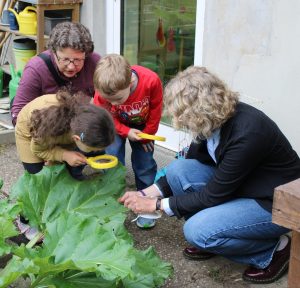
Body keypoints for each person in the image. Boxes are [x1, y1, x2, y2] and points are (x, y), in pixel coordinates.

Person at [119, 66, 300, 284]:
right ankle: (217, 236)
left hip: (273, 204)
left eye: (181, 115)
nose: (178, 120)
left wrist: (156, 205)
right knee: (179, 170)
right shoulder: (213, 121)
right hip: (243, 186)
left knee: (196, 232)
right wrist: (147, 192)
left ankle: (274, 251)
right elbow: (192, 165)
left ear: (198, 111)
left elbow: (213, 195)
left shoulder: (248, 133)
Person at [14, 88, 115, 242]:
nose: (96, 152)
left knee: (61, 173)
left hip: (59, 134)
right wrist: (63, 155)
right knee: (37, 182)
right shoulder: (52, 130)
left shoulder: (85, 125)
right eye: (93, 150)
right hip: (31, 136)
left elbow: (75, 147)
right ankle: (25, 221)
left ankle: (52, 213)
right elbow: (38, 149)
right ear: (76, 138)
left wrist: (66, 156)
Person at [93, 54, 163, 229]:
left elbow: (156, 109)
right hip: (114, 126)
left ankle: (146, 205)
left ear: (129, 84)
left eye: (117, 99)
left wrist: (148, 134)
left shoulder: (151, 81)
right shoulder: (104, 90)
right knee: (112, 160)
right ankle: (112, 201)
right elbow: (106, 115)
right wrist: (125, 131)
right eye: (108, 100)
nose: (112, 103)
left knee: (145, 164)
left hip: (143, 128)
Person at [11, 21, 100, 126]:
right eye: (65, 59)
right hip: (47, 129)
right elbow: (18, 116)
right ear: (53, 52)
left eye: (78, 60)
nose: (71, 67)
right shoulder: (36, 69)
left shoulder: (95, 62)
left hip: (82, 126)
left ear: (87, 54)